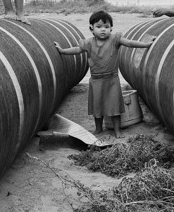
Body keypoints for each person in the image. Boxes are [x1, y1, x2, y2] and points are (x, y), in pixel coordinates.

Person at [54, 10, 155, 138]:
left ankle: (117, 130)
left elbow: (129, 43)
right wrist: (62, 51)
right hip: (96, 80)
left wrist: (146, 44)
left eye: (106, 27)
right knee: (97, 106)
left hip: (112, 79)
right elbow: (77, 50)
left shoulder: (115, 40)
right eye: (99, 26)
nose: (103, 30)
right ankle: (98, 129)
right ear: (91, 28)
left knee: (115, 106)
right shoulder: (88, 43)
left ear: (111, 28)